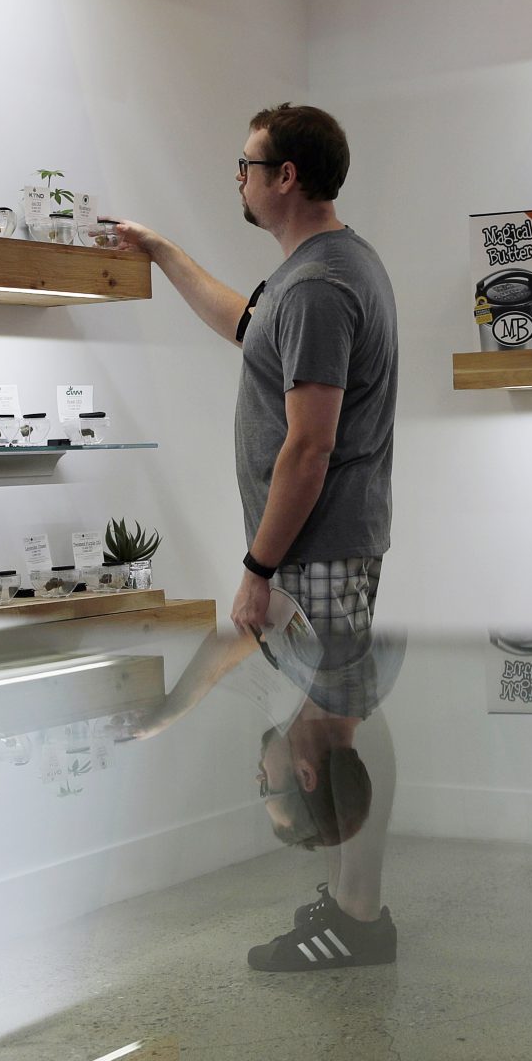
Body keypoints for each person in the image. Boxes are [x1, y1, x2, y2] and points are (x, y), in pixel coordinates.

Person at [110, 104, 402, 972]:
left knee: (338, 727)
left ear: (286, 177)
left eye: (246, 164)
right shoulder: (318, 271)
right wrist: (163, 252)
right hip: (321, 548)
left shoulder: (318, 286)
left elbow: (310, 446)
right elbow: (247, 325)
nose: (237, 178)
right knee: (333, 723)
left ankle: (357, 917)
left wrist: (257, 565)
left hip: (314, 548)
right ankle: (353, 907)